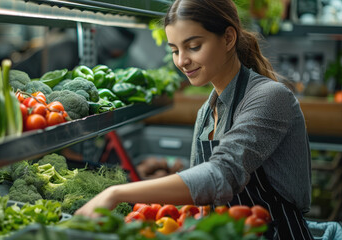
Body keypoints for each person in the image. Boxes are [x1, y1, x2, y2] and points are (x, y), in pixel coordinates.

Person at [75, 0, 313, 239]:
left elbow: (220, 174)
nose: (181, 61)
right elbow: (202, 199)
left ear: (229, 38)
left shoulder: (270, 97)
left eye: (194, 46)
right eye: (175, 50)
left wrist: (117, 193)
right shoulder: (206, 113)